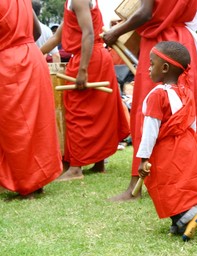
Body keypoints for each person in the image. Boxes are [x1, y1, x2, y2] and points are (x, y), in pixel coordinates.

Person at [102, 0, 197, 201]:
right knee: (182, 113)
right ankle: (184, 181)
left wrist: (116, 31)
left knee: (148, 114)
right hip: (183, 43)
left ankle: (135, 187)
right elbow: (193, 17)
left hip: (160, 44)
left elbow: (146, 13)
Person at [40, 0, 130, 181]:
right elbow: (57, 38)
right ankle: (99, 163)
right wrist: (33, 56)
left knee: (77, 112)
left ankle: (75, 168)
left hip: (88, 60)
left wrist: (83, 69)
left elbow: (88, 33)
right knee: (98, 112)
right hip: (96, 58)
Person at [137, 41, 197, 241]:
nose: (148, 68)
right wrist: (193, 146)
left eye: (152, 64)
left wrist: (143, 158)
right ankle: (178, 224)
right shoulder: (185, 91)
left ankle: (188, 216)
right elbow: (191, 122)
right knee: (181, 184)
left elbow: (150, 129)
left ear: (165, 68)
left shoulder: (157, 95)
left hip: (167, 149)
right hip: (188, 144)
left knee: (166, 186)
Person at [0, 0, 62, 198]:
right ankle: (37, 180)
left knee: (17, 128)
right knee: (36, 125)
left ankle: (28, 184)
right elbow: (36, 32)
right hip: (32, 58)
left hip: (9, 63)